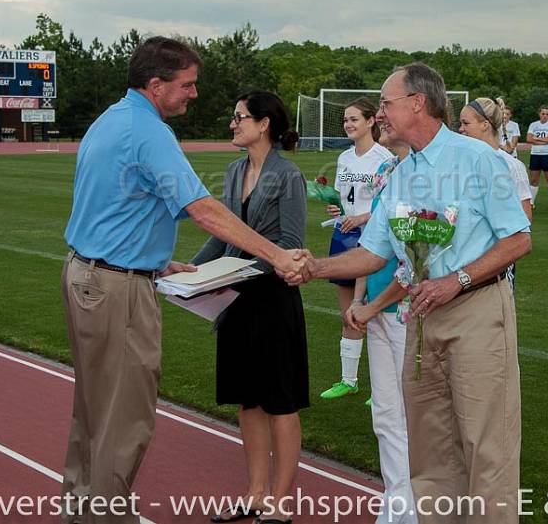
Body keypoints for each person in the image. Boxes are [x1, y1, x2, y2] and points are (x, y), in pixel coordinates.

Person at [61, 37, 306, 524]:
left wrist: (154, 261)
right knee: (123, 418)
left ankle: (82, 513)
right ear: (156, 86)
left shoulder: (111, 119)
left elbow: (114, 205)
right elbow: (204, 211)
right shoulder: (150, 133)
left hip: (92, 275)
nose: (194, 94)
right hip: (116, 289)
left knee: (93, 413)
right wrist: (278, 255)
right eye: (187, 85)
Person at [290, 62, 532, 524]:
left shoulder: (479, 160)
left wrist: (455, 280)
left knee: (487, 449)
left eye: (385, 103)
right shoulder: (401, 172)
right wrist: (316, 267)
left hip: (476, 310)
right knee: (430, 450)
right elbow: (374, 252)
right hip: (421, 318)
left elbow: (519, 239)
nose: (379, 113)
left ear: (417, 103)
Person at [191, 91, 309, 524]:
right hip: (237, 302)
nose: (233, 123)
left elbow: (291, 245)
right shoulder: (234, 169)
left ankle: (280, 503)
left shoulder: (288, 175)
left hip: (273, 301)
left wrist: (234, 271)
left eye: (239, 117)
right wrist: (194, 269)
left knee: (280, 402)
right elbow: (224, 235)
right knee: (249, 403)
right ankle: (255, 495)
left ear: (264, 124)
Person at [344, 127, 418, 524]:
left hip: (407, 313)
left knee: (413, 416)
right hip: (376, 307)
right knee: (385, 415)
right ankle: (396, 503)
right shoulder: (387, 170)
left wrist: (373, 307)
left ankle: (418, 507)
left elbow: (416, 262)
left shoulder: (427, 177)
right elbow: (370, 245)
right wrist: (359, 299)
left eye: (389, 109)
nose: (382, 119)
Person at [321, 98, 393, 400]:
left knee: (375, 313)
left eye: (354, 119)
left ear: (370, 122)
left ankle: (382, 387)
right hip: (344, 237)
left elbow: (388, 205)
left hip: (372, 239)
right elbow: (342, 199)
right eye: (346, 120)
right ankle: (348, 380)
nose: (349, 124)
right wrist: (336, 210)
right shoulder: (345, 158)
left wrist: (362, 217)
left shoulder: (385, 158)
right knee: (348, 310)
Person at [458, 97, 533, 294]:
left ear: (485, 124)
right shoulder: (460, 163)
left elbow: (525, 221)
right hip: (460, 261)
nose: (460, 129)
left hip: (494, 267)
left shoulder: (511, 166)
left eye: (466, 123)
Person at [525, 105, 548, 211]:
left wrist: (536, 139)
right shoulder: (533, 125)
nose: (545, 116)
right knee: (534, 180)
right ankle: (531, 203)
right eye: (543, 114)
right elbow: (528, 139)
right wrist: (544, 140)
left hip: (547, 154)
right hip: (535, 154)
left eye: (547, 114)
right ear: (539, 114)